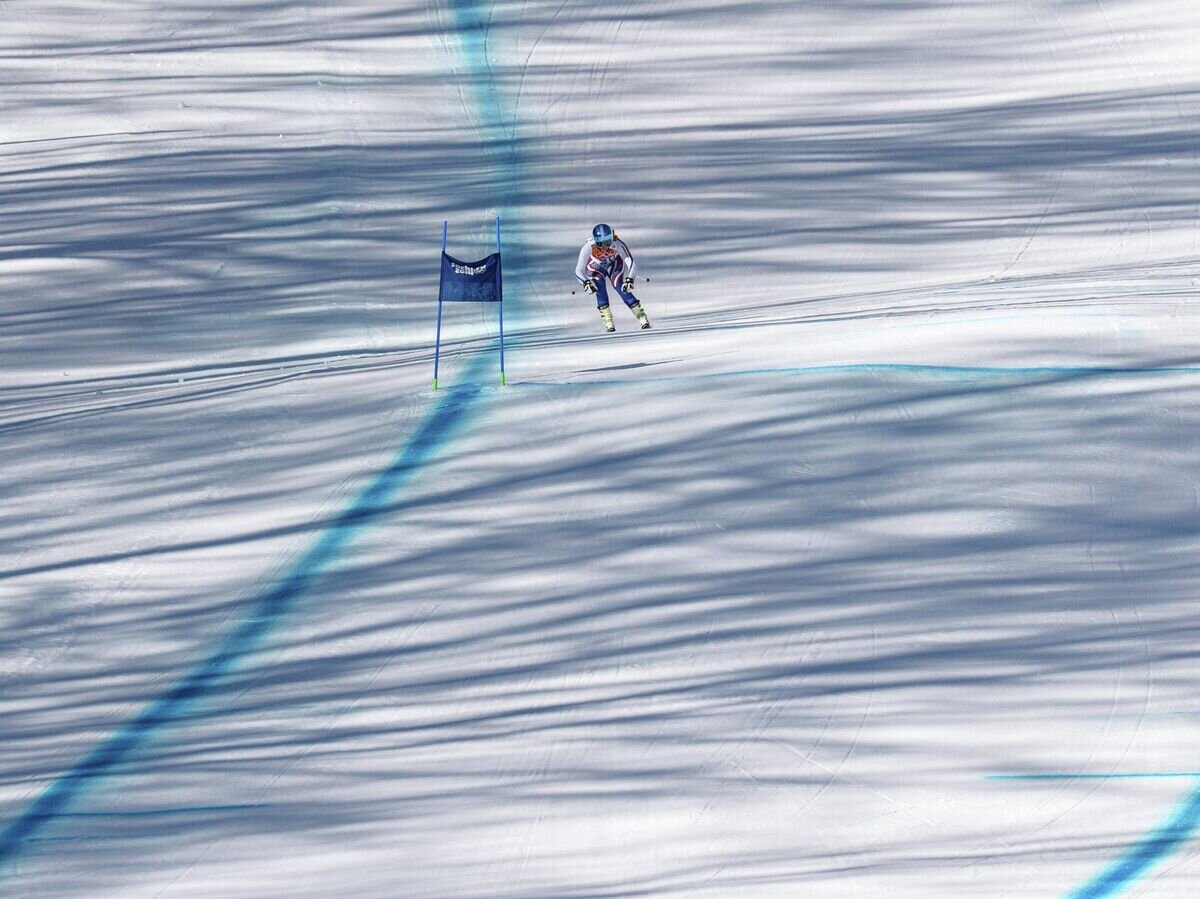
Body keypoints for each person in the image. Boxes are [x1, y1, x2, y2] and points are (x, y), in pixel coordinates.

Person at [575, 223, 650, 332]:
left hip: (614, 265)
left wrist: (630, 279)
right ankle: (608, 321)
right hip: (596, 267)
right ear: (595, 240)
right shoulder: (589, 246)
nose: (605, 245)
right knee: (599, 287)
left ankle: (642, 317)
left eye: (607, 240)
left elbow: (630, 261)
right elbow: (579, 269)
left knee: (620, 287)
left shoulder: (617, 243)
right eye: (600, 242)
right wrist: (586, 283)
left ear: (612, 236)